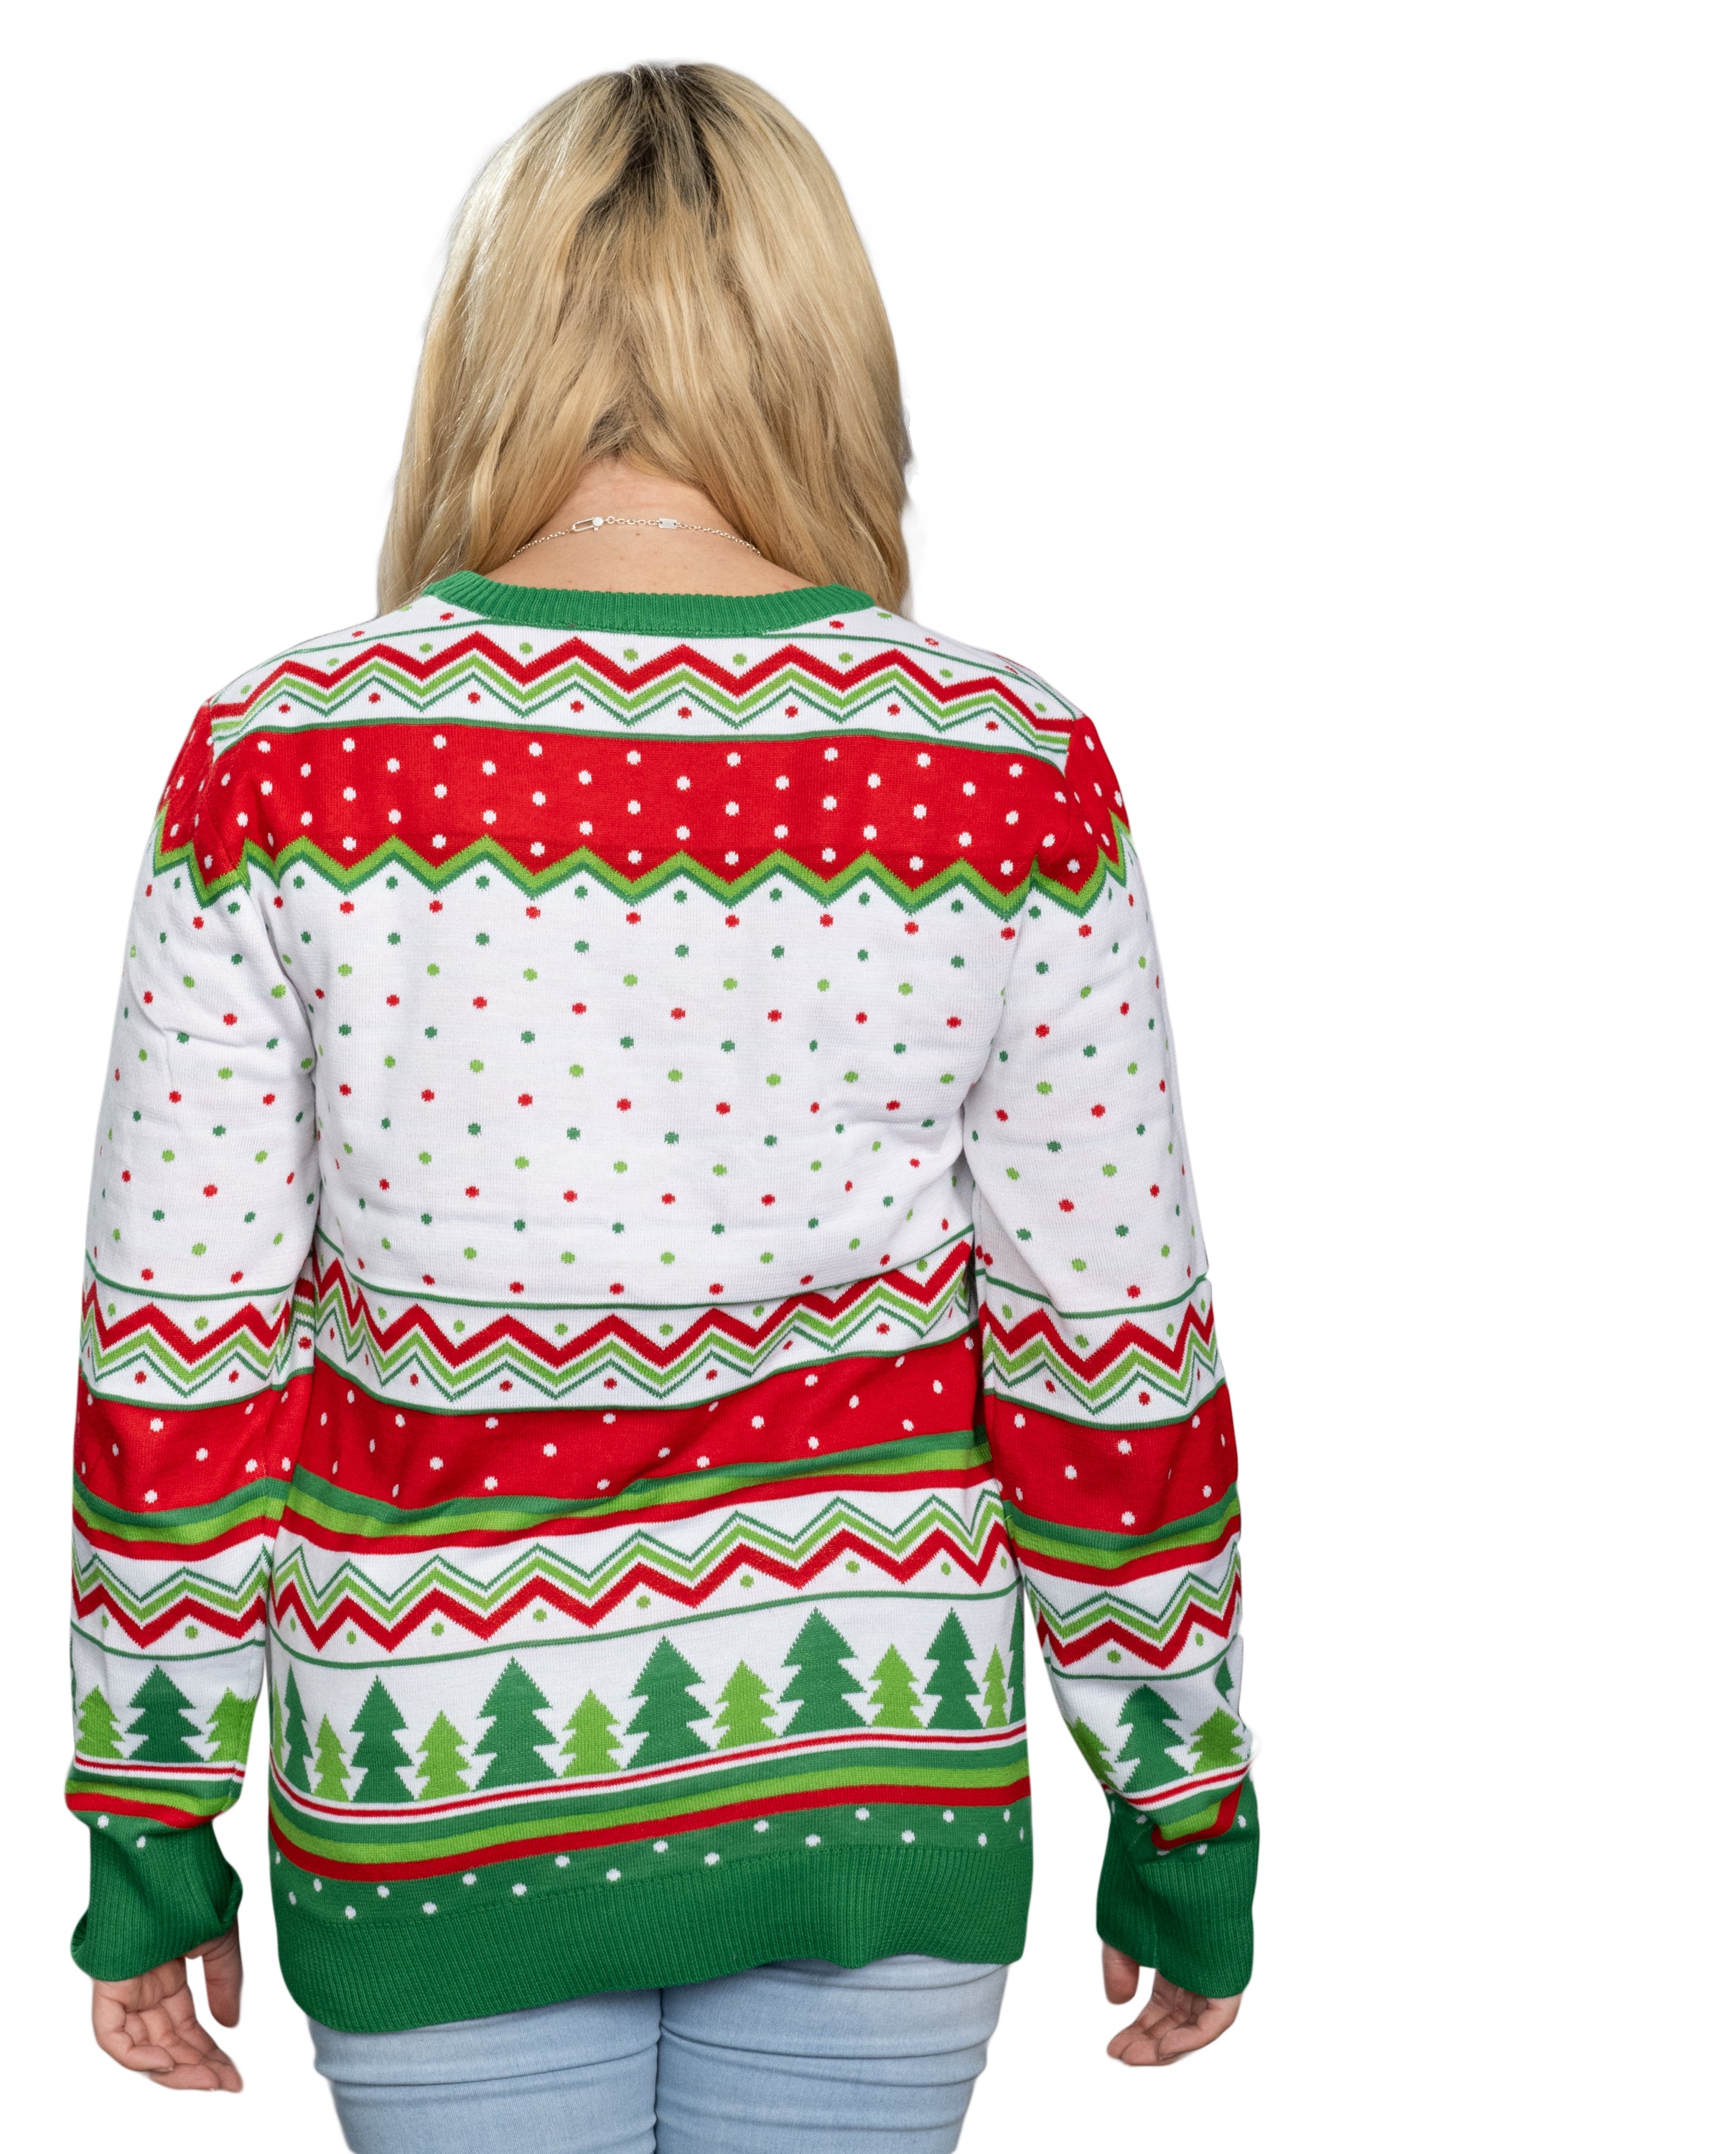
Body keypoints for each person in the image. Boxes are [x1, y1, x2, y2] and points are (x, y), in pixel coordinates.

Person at [67, 61, 1256, 2151]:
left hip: (438, 1790)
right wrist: (1183, 1797)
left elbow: (182, 1345)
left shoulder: (287, 759)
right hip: (867, 1760)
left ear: (490, 342)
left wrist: (149, 1817)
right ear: (824, 345)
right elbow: (1108, 1337)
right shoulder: (1004, 765)